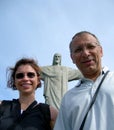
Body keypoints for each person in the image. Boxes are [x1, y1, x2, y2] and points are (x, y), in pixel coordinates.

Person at [54, 31, 114, 130]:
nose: (85, 53)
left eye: (90, 47)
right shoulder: (68, 98)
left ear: (101, 51)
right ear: (72, 58)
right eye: (78, 50)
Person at [0, 58, 58, 130]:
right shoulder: (2, 106)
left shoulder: (50, 112)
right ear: (14, 81)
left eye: (30, 75)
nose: (25, 78)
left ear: (38, 80)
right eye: (20, 76)